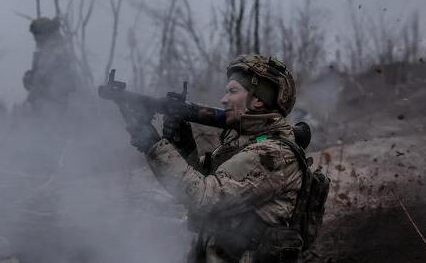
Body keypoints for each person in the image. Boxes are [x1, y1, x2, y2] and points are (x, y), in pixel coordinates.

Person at [120, 54, 305, 262]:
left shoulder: (273, 155)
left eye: (232, 91)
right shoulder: (244, 145)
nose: (223, 99)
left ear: (259, 100)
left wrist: (154, 145)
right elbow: (203, 188)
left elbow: (203, 198)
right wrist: (183, 146)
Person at [23, 17, 79, 111]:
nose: (35, 38)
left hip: (54, 104)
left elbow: (41, 78)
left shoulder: (53, 50)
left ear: (44, 33)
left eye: (36, 34)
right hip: (52, 102)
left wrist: (30, 79)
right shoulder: (50, 49)